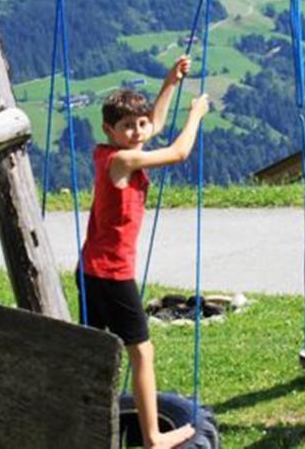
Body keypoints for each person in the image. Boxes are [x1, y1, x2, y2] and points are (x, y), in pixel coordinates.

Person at [78, 55, 208, 449]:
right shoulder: (123, 159)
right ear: (108, 130)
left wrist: (170, 81)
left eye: (140, 125)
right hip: (113, 274)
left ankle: (83, 418)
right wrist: (197, 113)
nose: (137, 132)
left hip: (90, 270)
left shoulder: (109, 152)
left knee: (99, 351)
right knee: (142, 352)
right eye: (127, 127)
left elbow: (155, 124)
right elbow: (179, 152)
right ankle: (154, 438)